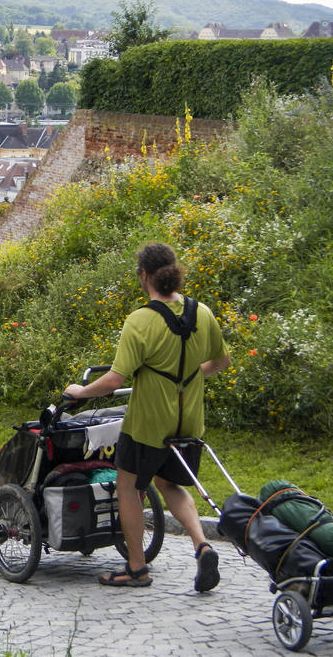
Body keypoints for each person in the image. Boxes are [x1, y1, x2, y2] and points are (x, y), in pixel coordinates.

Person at [65, 242, 231, 591]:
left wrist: (79, 392)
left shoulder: (140, 320)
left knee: (128, 485)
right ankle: (202, 545)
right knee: (169, 483)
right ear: (173, 271)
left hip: (149, 423)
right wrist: (190, 374)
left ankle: (137, 568)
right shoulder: (202, 312)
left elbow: (115, 379)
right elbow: (220, 362)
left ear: (144, 275)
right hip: (190, 421)